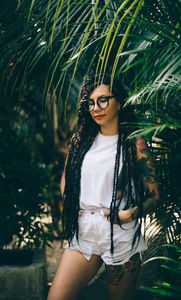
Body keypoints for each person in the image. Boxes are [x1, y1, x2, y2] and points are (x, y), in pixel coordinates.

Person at [47, 73, 160, 300]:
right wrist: (70, 203)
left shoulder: (135, 145)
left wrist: (129, 215)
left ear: (119, 102)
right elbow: (66, 178)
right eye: (90, 103)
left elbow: (155, 197)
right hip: (84, 232)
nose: (96, 108)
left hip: (120, 235)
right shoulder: (80, 141)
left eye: (103, 100)